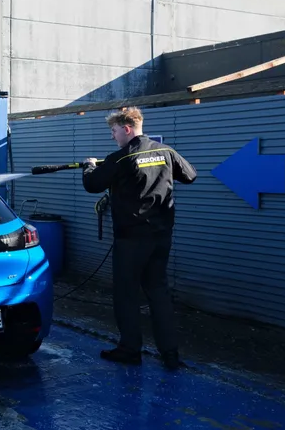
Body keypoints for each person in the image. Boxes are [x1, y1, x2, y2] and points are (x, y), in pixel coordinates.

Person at [81, 106, 197, 371]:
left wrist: (89, 167)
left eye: (114, 131)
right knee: (158, 292)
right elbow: (190, 175)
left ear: (127, 129)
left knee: (126, 294)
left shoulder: (120, 158)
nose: (112, 136)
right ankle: (170, 355)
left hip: (131, 240)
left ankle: (130, 350)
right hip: (160, 237)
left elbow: (92, 185)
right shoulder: (166, 152)